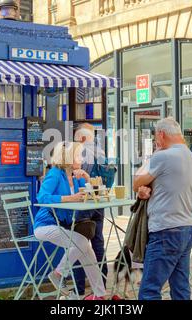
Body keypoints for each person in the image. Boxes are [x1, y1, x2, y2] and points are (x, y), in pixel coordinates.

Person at [133, 117, 192, 300]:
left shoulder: (163, 156)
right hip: (187, 228)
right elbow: (168, 185)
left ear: (161, 135)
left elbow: (136, 181)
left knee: (149, 291)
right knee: (180, 289)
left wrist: (154, 155)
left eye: (156, 137)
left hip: (166, 230)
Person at [33, 141, 106, 300]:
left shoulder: (76, 176)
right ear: (68, 157)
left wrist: (87, 178)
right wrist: (69, 198)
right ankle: (59, 272)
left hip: (65, 225)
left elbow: (91, 195)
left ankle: (100, 295)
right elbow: (42, 197)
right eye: (78, 155)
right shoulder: (55, 173)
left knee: (87, 249)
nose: (81, 159)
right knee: (81, 243)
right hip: (46, 225)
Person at [72, 123, 108, 299]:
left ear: (82, 138)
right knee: (98, 244)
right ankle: (101, 288)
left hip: (84, 204)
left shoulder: (81, 152)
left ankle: (78, 290)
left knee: (79, 244)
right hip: (99, 203)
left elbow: (76, 179)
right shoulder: (101, 152)